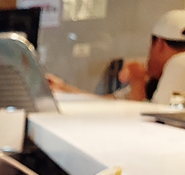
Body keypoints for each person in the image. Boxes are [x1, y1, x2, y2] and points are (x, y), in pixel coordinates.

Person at [47, 10, 185, 105]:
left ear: (159, 44)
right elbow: (108, 103)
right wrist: (64, 88)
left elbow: (148, 126)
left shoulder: (178, 65)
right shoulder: (151, 80)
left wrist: (137, 86)